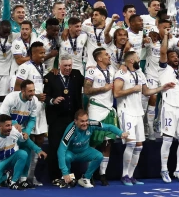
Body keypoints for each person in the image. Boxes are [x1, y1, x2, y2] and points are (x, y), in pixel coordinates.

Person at [114, 50, 175, 185]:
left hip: (138, 112)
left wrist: (162, 88)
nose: (139, 60)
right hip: (126, 111)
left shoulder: (140, 73)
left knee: (139, 146)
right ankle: (124, 175)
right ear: (131, 60)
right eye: (137, 58)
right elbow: (116, 93)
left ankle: (131, 175)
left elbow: (146, 92)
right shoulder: (121, 73)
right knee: (130, 143)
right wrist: (132, 89)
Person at [0, 114, 47, 190]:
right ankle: (7, 176)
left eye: (11, 125)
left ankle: (13, 182)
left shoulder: (15, 131)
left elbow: (25, 140)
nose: (10, 128)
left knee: (23, 154)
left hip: (12, 159)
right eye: (7, 126)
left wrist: (38, 150)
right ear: (0, 126)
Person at [58, 109, 128, 188]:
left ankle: (85, 178)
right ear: (75, 121)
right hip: (71, 153)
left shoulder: (91, 123)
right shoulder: (71, 130)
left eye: (86, 120)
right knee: (66, 157)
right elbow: (61, 150)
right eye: (82, 121)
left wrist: (120, 133)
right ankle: (68, 178)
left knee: (99, 156)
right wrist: (65, 172)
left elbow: (108, 127)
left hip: (84, 152)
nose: (85, 123)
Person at [44, 56, 85, 184]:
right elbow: (45, 96)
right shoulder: (51, 77)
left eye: (70, 65)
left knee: (71, 147)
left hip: (72, 119)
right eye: (65, 66)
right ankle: (55, 176)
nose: (68, 68)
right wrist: (53, 100)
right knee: (55, 146)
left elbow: (88, 82)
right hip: (56, 119)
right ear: (59, 66)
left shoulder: (76, 74)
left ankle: (70, 175)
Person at [158, 34, 179, 183]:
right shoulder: (163, 69)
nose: (176, 58)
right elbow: (162, 51)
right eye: (172, 56)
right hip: (169, 107)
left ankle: (178, 169)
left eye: (177, 56)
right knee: (167, 140)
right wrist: (166, 35)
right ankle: (164, 169)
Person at [14, 41, 48, 185]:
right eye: (41, 53)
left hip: (40, 109)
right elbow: (17, 89)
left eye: (44, 52)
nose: (43, 55)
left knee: (39, 140)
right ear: (33, 54)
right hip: (28, 110)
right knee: (29, 141)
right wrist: (35, 96)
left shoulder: (42, 67)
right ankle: (23, 176)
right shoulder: (24, 67)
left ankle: (31, 176)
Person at [84, 47, 116, 185]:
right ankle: (89, 174)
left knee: (107, 143)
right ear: (99, 58)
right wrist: (104, 88)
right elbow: (86, 90)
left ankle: (103, 174)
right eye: (106, 55)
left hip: (108, 109)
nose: (109, 56)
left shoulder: (112, 70)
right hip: (96, 108)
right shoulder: (92, 71)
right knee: (93, 142)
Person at [10, 21, 39, 88]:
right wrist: (34, 57)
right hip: (17, 75)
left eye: (26, 29)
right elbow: (19, 61)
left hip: (28, 75)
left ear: (31, 30)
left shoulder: (33, 41)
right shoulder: (17, 42)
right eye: (22, 29)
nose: (24, 31)